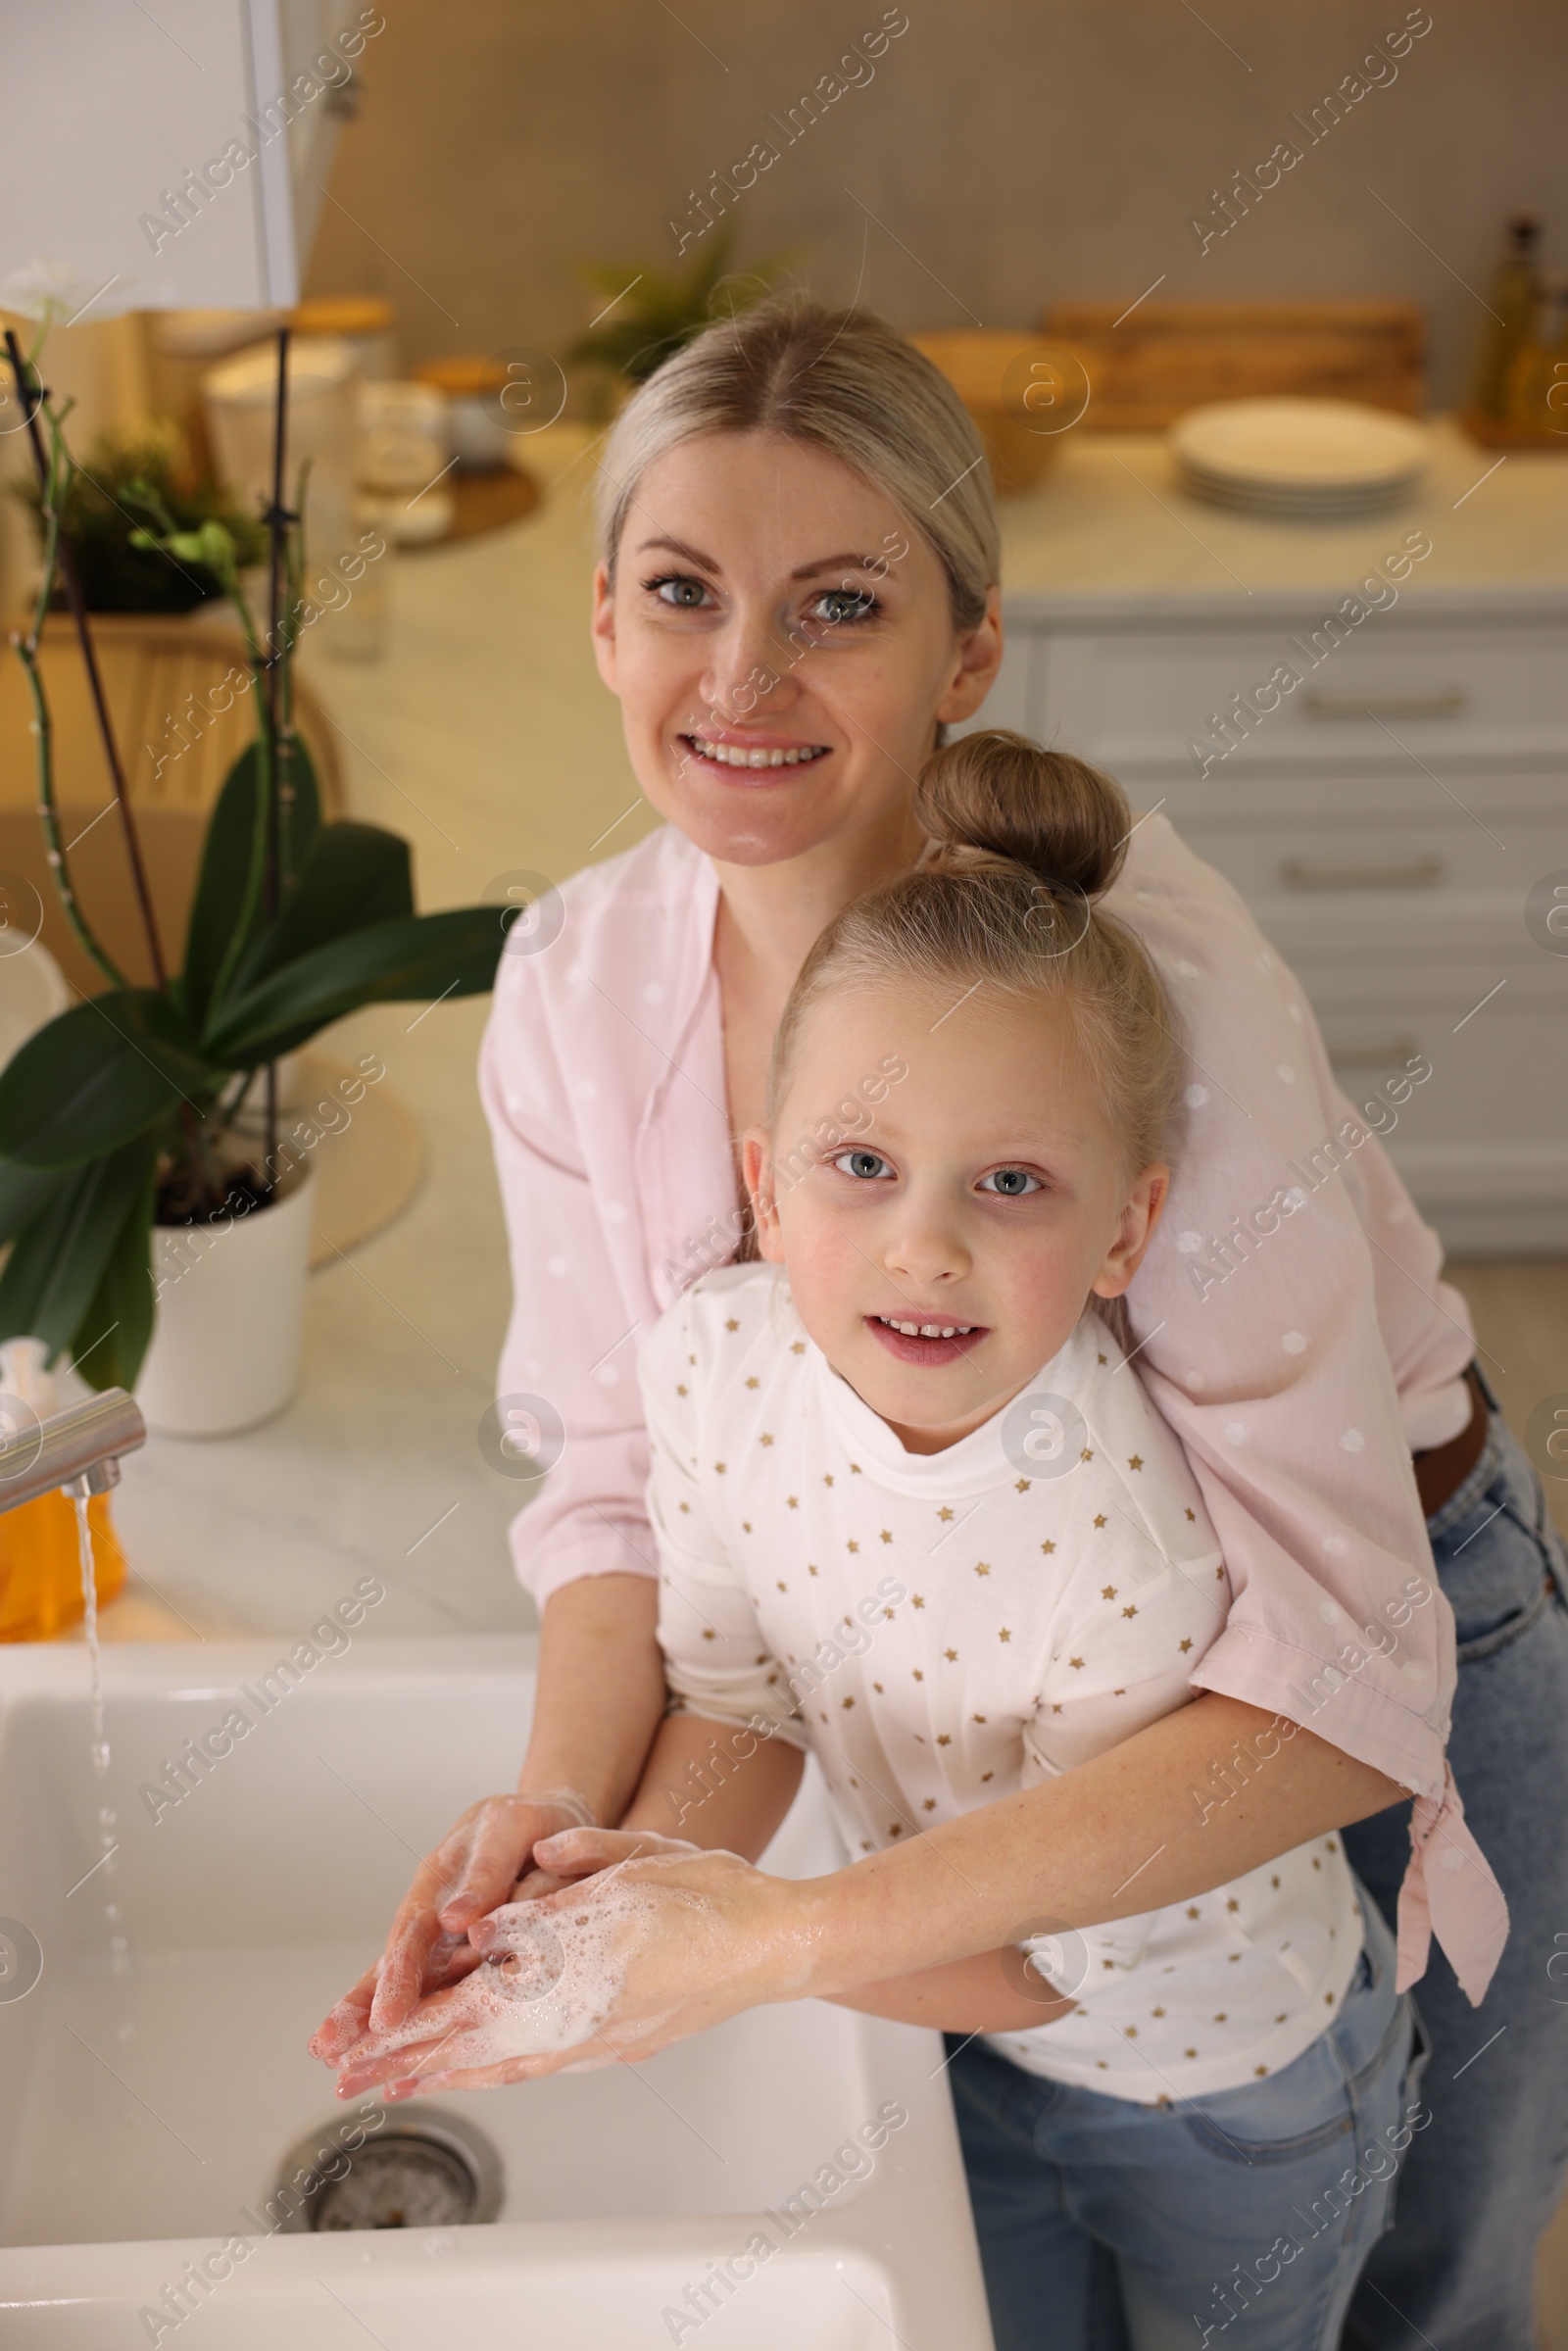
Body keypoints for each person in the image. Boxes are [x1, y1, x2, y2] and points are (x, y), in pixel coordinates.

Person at [311, 301, 1567, 2350]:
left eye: (835, 606)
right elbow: (626, 1477)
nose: (740, 677)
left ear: (965, 650)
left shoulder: (1153, 995)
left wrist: (771, 1935)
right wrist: (570, 1849)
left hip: (1352, 1642)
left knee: (1419, 2284)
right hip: (946, 1730)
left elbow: (1331, 1668)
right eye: (679, 593)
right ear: (603, 621)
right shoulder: (572, 983)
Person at [330, 731, 1428, 2348]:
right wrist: (580, 1895)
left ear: (1127, 1226)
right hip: (952, 2023)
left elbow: (1062, 1969)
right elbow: (740, 1697)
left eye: (1011, 1183)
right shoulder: (717, 1362)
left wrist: (720, 1952)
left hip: (1224, 2088)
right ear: (766, 1192)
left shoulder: (1115, 1533)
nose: (923, 1246)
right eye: (863, 1167)